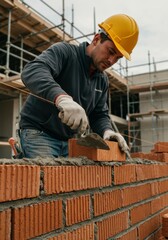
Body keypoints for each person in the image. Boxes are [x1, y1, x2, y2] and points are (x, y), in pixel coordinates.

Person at [19, 13, 139, 158]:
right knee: (51, 180)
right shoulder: (65, 53)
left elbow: (99, 114)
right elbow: (33, 70)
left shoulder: (102, 80)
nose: (111, 60)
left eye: (117, 58)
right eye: (111, 51)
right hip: (39, 133)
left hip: (68, 141)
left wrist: (107, 131)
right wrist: (62, 98)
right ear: (96, 39)